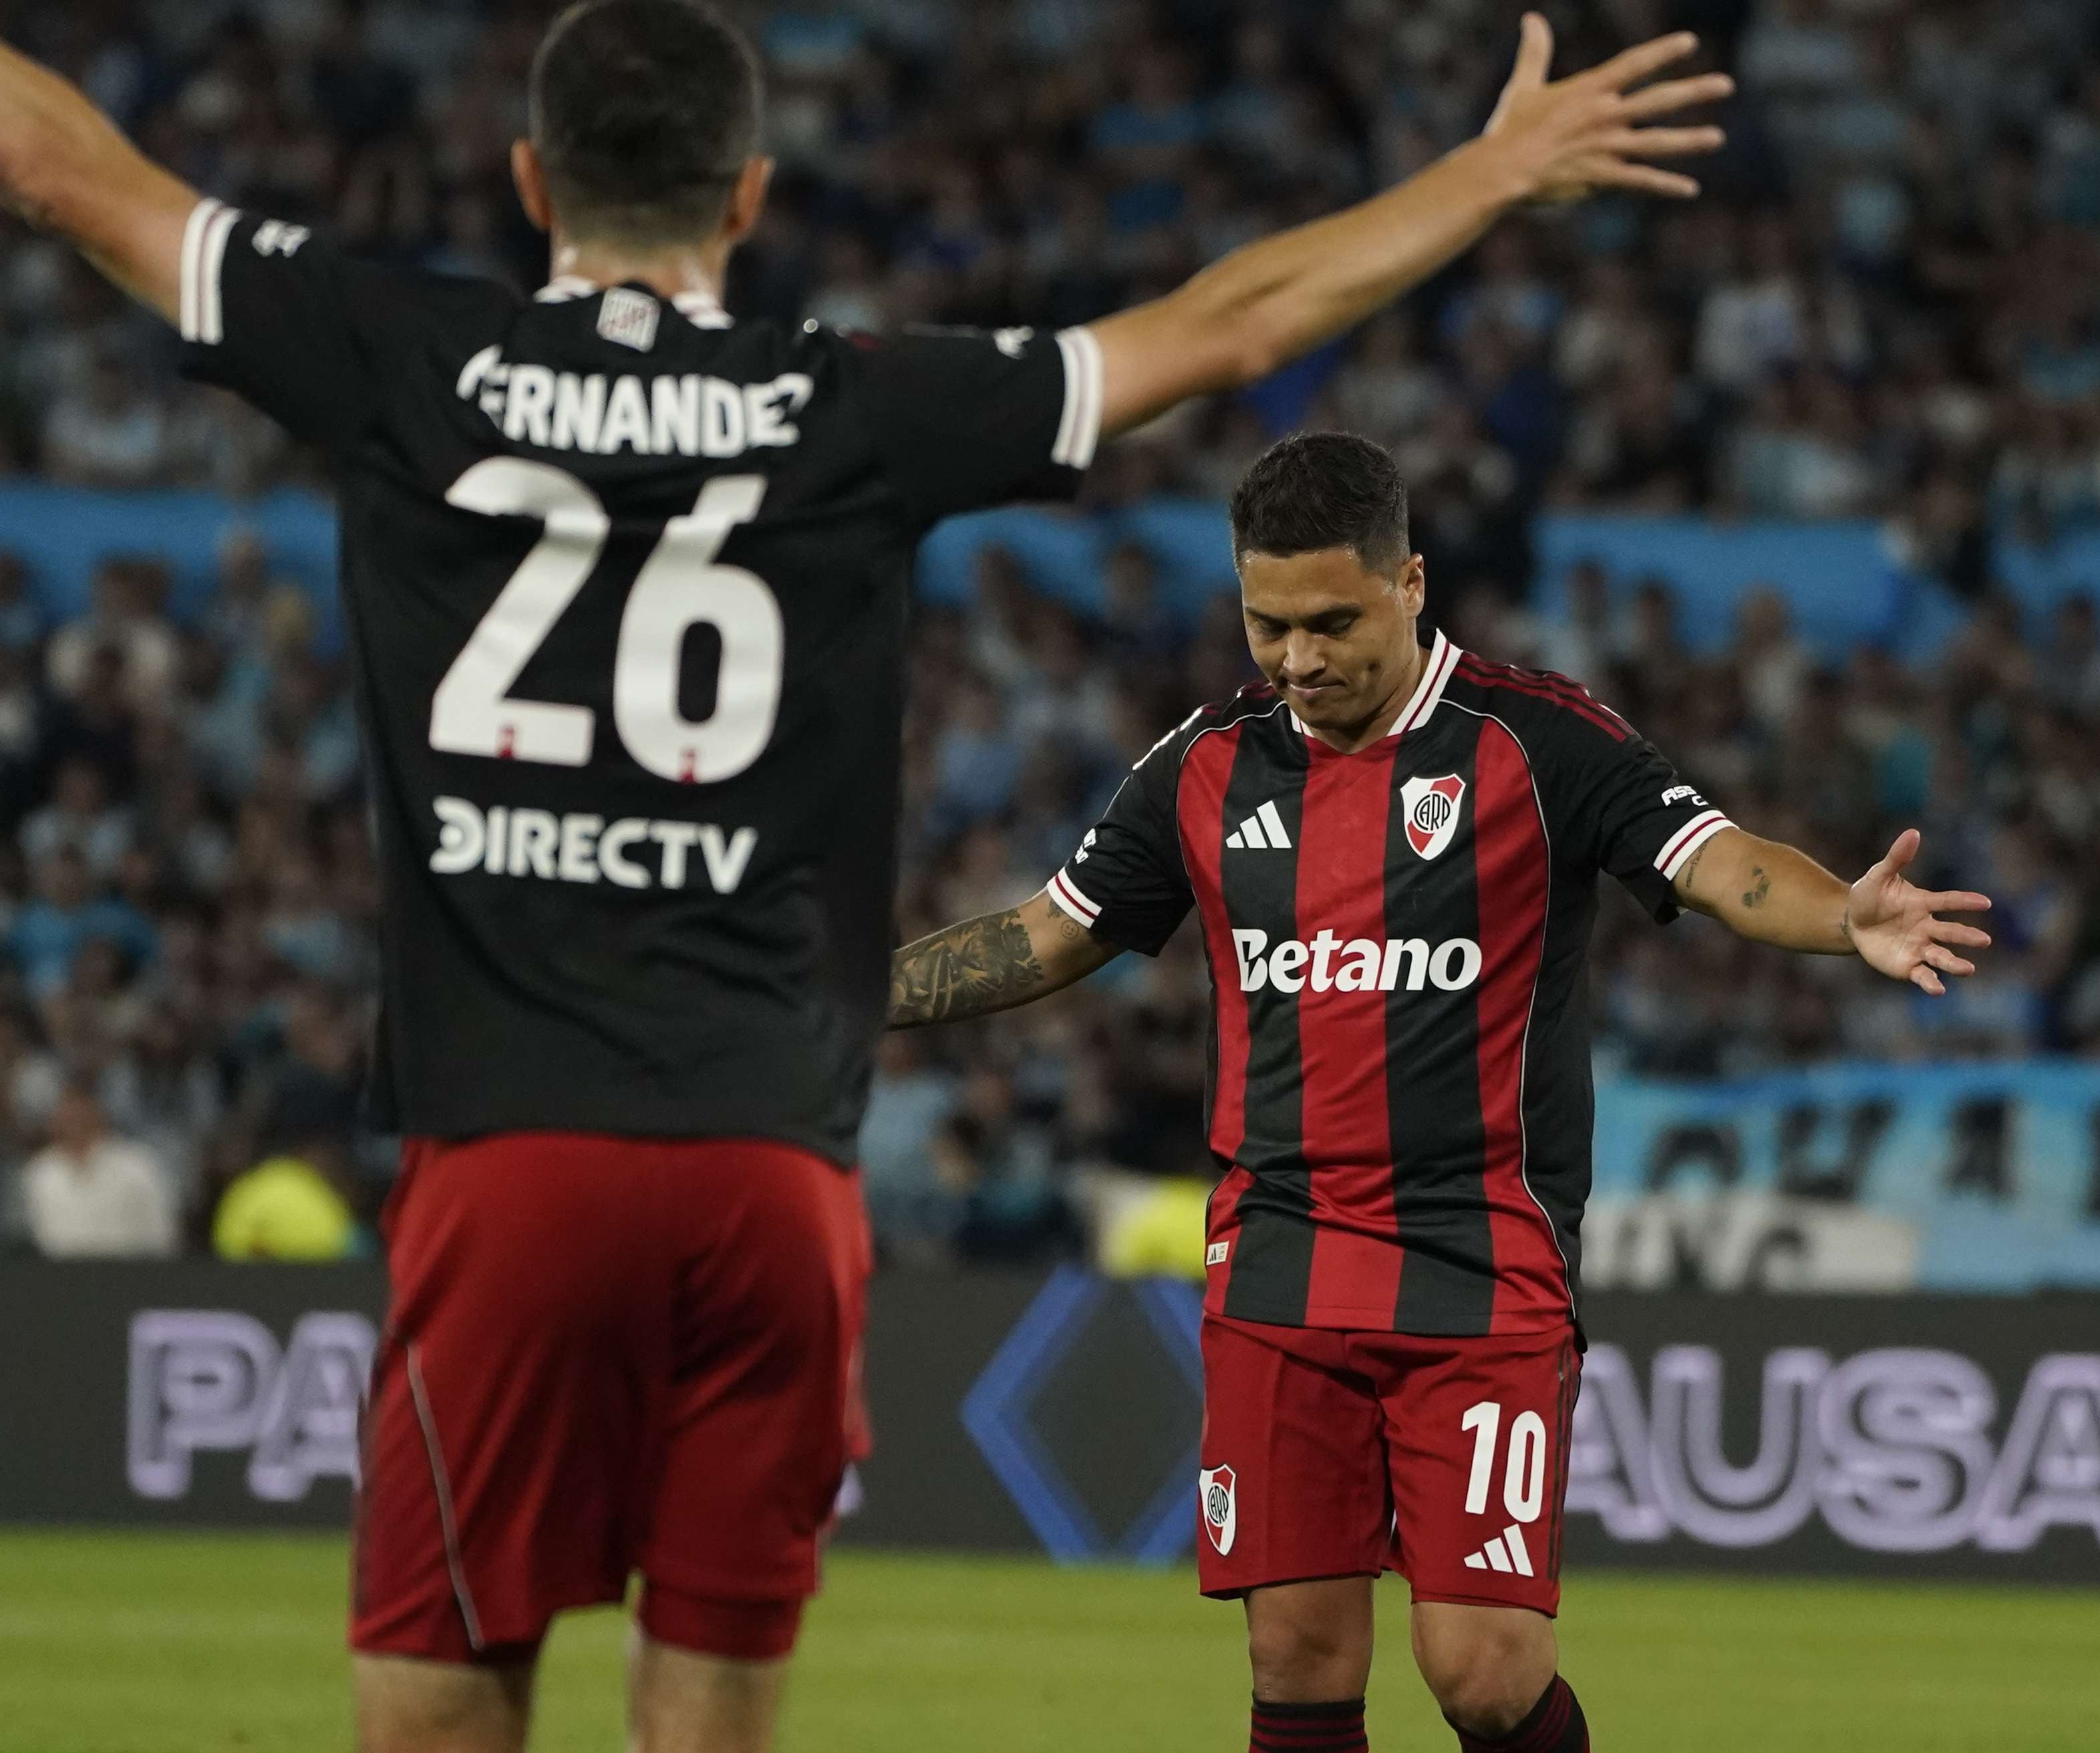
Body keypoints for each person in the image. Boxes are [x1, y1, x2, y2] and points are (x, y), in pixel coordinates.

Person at [0, 5, 1732, 1750]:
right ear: (749, 194)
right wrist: (1496, 170)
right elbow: (1232, 326)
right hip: (770, 1168)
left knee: (438, 1709)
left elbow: (64, 170)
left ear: (530, 178)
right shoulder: (851, 397)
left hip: (516, 1136)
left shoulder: (399, 348)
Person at [888, 432, 1992, 1753]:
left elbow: (1717, 863)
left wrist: (1838, 915)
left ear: (1412, 582)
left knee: (1481, 1669)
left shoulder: (1537, 742)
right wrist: (853, 991)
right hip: (1281, 1256)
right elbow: (1055, 931)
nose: (1297, 658)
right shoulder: (1207, 763)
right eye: (1267, 622)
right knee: (1296, 1655)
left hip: (1481, 1259)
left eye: (1334, 621)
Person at [21, 1078, 176, 1258]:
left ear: (99, 1112)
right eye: (67, 1110)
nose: (74, 1119)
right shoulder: (40, 1172)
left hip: (129, 1278)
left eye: (81, 1110)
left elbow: (162, 1235)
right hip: (58, 1280)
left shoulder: (137, 1166)